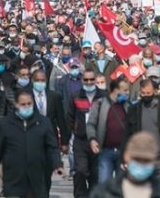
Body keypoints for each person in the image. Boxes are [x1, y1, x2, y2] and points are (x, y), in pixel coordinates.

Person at [0, 90, 66, 198]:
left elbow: (52, 147)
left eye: (29, 104)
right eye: (23, 104)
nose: (26, 107)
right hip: (13, 180)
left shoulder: (43, 123)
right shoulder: (5, 125)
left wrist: (57, 165)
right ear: (16, 105)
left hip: (36, 179)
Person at [124, 78, 160, 181]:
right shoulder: (133, 110)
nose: (146, 95)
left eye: (148, 93)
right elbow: (126, 135)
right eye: (143, 93)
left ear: (155, 92)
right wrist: (123, 158)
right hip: (140, 159)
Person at [89, 131, 160, 198]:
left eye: (146, 160)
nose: (141, 164)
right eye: (137, 159)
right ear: (126, 156)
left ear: (154, 160)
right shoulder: (103, 193)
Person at [68, 68, 107, 198]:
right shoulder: (75, 95)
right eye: (86, 80)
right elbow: (69, 118)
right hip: (81, 140)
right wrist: (66, 140)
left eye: (91, 79)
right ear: (82, 80)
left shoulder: (104, 95)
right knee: (80, 171)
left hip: (98, 140)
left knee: (95, 174)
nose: (89, 82)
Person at [87, 78, 131, 183]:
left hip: (123, 153)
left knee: (123, 187)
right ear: (116, 91)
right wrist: (92, 139)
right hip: (105, 152)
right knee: (104, 185)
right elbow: (90, 124)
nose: (127, 93)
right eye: (125, 90)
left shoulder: (128, 106)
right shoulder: (100, 104)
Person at [31, 69, 70, 154]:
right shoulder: (27, 96)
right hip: (32, 137)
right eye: (37, 80)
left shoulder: (54, 96)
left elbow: (61, 120)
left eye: (42, 80)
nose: (40, 83)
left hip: (51, 136)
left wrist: (64, 142)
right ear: (32, 81)